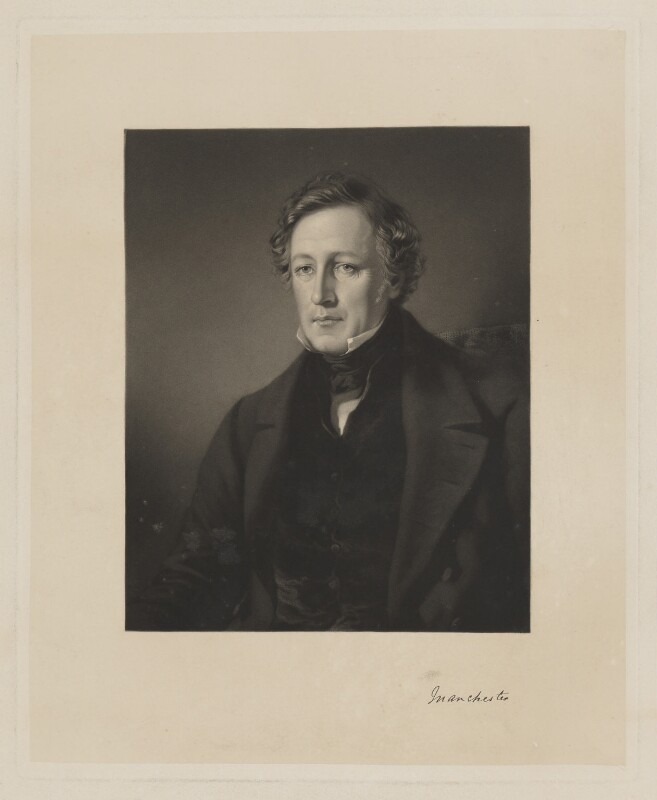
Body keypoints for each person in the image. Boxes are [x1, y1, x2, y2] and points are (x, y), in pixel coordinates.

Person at [127, 172, 529, 632]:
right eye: (304, 269)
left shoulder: (497, 402)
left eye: (345, 268)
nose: (320, 295)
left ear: (393, 279)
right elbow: (195, 576)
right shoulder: (249, 422)